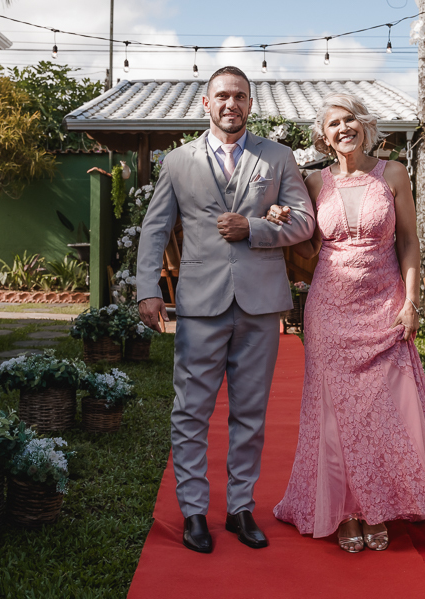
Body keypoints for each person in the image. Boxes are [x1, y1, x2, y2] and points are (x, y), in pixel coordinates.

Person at [267, 93, 425, 553]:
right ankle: (346, 512)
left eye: (350, 119)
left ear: (364, 124)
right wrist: (282, 222)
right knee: (334, 415)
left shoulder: (393, 173)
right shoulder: (314, 182)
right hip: (330, 309)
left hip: (384, 304)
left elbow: (409, 241)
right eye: (333, 123)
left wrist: (412, 301)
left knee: (384, 410)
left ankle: (382, 504)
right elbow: (307, 251)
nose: (343, 128)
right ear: (323, 136)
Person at [135, 66, 315, 554]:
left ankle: (240, 508)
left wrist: (254, 228)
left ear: (250, 104)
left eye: (239, 96)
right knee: (190, 410)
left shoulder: (277, 157)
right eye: (222, 96)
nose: (230, 103)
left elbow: (304, 221)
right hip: (200, 304)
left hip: (261, 304)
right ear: (206, 103)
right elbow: (155, 229)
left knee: (250, 413)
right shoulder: (178, 161)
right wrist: (147, 288)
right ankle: (194, 511)